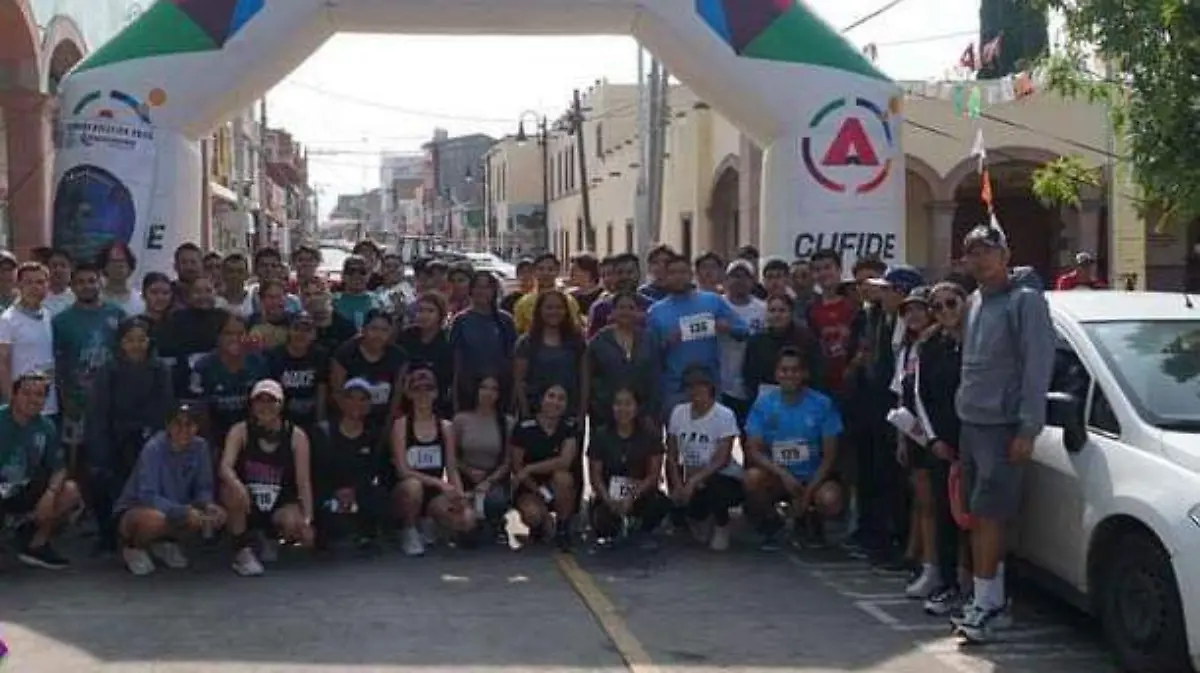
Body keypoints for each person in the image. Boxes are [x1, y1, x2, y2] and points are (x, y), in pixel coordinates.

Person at [952, 222, 1054, 642]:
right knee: (977, 516)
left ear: (1005, 255)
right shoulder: (975, 300)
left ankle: (990, 606)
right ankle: (986, 597)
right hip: (972, 423)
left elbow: (1037, 367)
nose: (980, 259)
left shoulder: (1025, 301)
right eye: (973, 252)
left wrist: (1027, 428)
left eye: (987, 250)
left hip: (1002, 426)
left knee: (992, 516)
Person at [84, 317, 175, 553]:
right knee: (100, 476)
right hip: (114, 437)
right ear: (121, 343)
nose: (136, 345)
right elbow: (98, 414)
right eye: (130, 340)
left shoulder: (160, 369)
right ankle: (108, 534)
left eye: (141, 340)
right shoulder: (108, 370)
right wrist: (100, 450)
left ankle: (156, 535)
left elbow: (164, 409)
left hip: (149, 437)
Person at [743, 347, 844, 550]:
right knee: (752, 479)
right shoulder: (763, 404)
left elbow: (830, 456)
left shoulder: (822, 404)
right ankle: (772, 520)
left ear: (804, 374)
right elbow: (753, 450)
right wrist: (783, 475)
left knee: (830, 499)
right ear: (776, 374)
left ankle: (811, 519)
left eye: (795, 370)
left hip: (813, 476)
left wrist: (808, 492)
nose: (789, 375)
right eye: (784, 370)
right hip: (779, 476)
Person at [113, 403, 225, 576]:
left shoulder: (201, 447)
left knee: (206, 518)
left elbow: (203, 486)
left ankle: (163, 543)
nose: (183, 430)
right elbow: (148, 496)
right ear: (168, 426)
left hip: (177, 507)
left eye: (189, 424)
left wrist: (209, 505)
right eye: (178, 424)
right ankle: (133, 547)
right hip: (137, 510)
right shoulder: (153, 448)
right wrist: (183, 510)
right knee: (157, 519)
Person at [220, 379, 316, 576]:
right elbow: (225, 467)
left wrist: (308, 520)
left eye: (271, 401)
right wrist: (237, 484)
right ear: (252, 404)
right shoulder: (240, 431)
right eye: (260, 401)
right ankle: (241, 550)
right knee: (230, 491)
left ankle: (270, 538)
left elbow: (303, 482)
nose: (265, 406)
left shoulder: (296, 436)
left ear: (281, 404)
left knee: (294, 523)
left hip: (279, 502)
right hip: (247, 499)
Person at [916, 281, 969, 617]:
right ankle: (948, 583)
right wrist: (934, 439)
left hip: (977, 441)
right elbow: (920, 395)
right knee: (945, 514)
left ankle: (979, 585)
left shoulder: (979, 341)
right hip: (942, 444)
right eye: (937, 306)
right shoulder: (929, 345)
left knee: (977, 518)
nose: (946, 311)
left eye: (952, 303)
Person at [646, 253, 748, 412]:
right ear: (665, 277)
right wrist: (667, 342)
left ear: (691, 274)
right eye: (673, 273)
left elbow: (743, 331)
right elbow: (649, 353)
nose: (678, 277)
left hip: (710, 386)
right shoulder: (656, 312)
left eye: (683, 272)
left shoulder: (712, 301)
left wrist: (727, 328)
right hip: (675, 389)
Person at [391, 367, 475, 556]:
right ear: (409, 394)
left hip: (434, 495)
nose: (423, 394)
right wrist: (439, 483)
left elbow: (451, 468)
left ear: (436, 393)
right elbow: (402, 470)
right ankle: (409, 529)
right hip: (407, 492)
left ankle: (429, 521)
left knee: (467, 519)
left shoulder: (445, 427)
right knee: (413, 486)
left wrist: (459, 496)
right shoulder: (401, 425)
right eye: (417, 389)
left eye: (428, 388)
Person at [0, 373, 80, 569]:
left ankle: (36, 545)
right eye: (26, 393)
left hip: (23, 487)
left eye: (39, 395)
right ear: (14, 395)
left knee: (70, 491)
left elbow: (59, 468)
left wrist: (50, 494)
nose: (32, 400)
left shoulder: (47, 427)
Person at [893, 286, 939, 598]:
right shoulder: (907, 349)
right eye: (908, 311)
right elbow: (901, 395)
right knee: (923, 500)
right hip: (914, 432)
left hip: (939, 432)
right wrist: (901, 437)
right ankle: (923, 560)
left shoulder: (939, 346)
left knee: (935, 503)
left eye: (919, 309)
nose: (913, 315)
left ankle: (933, 563)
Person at [665, 365, 743, 551]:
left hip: (722, 475)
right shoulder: (678, 412)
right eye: (690, 386)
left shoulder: (724, 415)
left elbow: (722, 459)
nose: (695, 391)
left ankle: (722, 525)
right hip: (692, 475)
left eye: (700, 385)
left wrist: (694, 481)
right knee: (681, 505)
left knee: (717, 488)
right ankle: (698, 518)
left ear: (710, 387)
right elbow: (672, 454)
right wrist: (678, 485)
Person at [53, 262, 126, 455]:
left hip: (112, 399)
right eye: (81, 282)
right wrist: (64, 398)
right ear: (72, 286)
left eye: (92, 281)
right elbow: (57, 363)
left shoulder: (117, 314)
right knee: (75, 457)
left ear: (100, 283)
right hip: (76, 402)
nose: (87, 286)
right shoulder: (61, 321)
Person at [312, 378, 389, 552]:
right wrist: (335, 492)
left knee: (379, 496)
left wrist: (354, 491)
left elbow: (373, 471)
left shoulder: (374, 436)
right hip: (328, 493)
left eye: (363, 399)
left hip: (358, 493)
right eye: (351, 397)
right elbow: (316, 470)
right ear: (342, 401)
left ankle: (367, 534)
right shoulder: (323, 432)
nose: (357, 403)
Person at [587, 387, 670, 545]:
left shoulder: (650, 435)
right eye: (618, 404)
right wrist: (608, 500)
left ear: (637, 407)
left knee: (659, 504)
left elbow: (653, 475)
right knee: (604, 524)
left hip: (640, 493)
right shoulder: (600, 435)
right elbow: (595, 476)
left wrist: (632, 497)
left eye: (628, 404)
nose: (622, 409)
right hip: (609, 494)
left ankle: (642, 528)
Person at [510, 384, 580, 550]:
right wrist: (537, 489)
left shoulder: (569, 427)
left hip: (556, 486)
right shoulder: (524, 427)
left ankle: (563, 529)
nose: (555, 402)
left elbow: (565, 461)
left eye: (561, 399)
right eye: (551, 396)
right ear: (542, 399)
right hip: (529, 486)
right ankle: (541, 524)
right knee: (533, 514)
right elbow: (517, 466)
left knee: (563, 478)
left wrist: (530, 468)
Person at [582, 290, 661, 430]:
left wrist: (652, 412)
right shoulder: (599, 340)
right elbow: (587, 376)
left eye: (631, 308)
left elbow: (655, 376)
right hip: (605, 415)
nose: (626, 312)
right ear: (612, 312)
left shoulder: (649, 339)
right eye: (621, 307)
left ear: (638, 312)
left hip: (643, 415)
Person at [453, 373, 515, 533]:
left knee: (496, 501)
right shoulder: (461, 420)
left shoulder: (507, 422)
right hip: (465, 475)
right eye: (484, 388)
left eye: (494, 389)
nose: (488, 393)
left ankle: (495, 524)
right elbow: (452, 456)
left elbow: (508, 461)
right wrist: (468, 471)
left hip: (493, 477)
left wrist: (488, 481)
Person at [448, 271, 517, 412]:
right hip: (469, 389)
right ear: (471, 290)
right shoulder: (461, 320)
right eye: (478, 287)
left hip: (500, 388)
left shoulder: (505, 320)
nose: (482, 292)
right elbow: (456, 362)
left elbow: (513, 359)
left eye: (487, 287)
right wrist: (455, 396)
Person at [195, 311, 265, 447]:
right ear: (218, 337)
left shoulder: (258, 363)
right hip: (214, 438)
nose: (235, 338)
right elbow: (199, 412)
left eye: (240, 333)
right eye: (228, 333)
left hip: (252, 437)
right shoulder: (203, 367)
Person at [330, 309, 406, 433]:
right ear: (364, 329)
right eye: (374, 329)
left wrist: (388, 425)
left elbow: (397, 394)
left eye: (384, 330)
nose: (378, 335)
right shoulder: (345, 353)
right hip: (349, 418)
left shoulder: (399, 356)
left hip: (383, 418)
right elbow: (337, 391)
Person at [513, 290, 585, 419]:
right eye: (549, 307)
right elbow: (519, 381)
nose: (554, 312)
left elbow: (584, 379)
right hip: (535, 414)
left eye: (559, 307)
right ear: (539, 310)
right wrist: (525, 414)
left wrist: (581, 414)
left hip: (570, 414)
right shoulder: (526, 342)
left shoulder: (577, 341)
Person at [0, 262, 56, 411]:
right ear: (18, 285)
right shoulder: (7, 320)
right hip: (22, 408)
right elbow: (2, 364)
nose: (34, 287)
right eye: (28, 282)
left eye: (40, 282)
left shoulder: (48, 316)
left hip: (49, 404)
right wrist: (11, 401)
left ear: (47, 286)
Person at [743, 294, 820, 401]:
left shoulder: (806, 339)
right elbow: (749, 376)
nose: (777, 315)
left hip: (802, 398)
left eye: (782, 310)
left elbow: (816, 373)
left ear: (791, 313)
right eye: (772, 311)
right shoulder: (756, 342)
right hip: (766, 401)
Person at [719, 259, 766, 430]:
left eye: (745, 276)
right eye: (735, 276)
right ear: (726, 280)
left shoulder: (763, 309)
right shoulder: (717, 305)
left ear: (753, 281)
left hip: (752, 383)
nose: (739, 281)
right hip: (721, 384)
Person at [264, 312, 329, 430]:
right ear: (289, 331)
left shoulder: (320, 355)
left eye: (307, 330)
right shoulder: (274, 356)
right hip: (283, 419)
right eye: (296, 328)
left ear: (314, 334)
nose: (301, 334)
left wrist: (320, 421)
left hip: (311, 419)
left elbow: (321, 390)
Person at [397, 292, 454, 417]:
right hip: (406, 403)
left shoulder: (448, 341)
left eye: (430, 311)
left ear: (441, 315)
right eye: (421, 310)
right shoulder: (406, 336)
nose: (424, 315)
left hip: (437, 405)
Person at [513, 252, 582, 334]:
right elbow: (517, 332)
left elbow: (576, 330)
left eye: (550, 269)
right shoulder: (524, 303)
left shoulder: (569, 302)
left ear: (558, 271)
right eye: (541, 269)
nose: (546, 273)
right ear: (534, 272)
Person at [587, 253, 652, 337]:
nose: (625, 276)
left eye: (630, 272)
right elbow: (592, 341)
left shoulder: (651, 307)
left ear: (639, 274)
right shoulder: (601, 308)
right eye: (620, 272)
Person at [300, 276, 357, 354]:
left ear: (329, 296)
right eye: (307, 295)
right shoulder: (297, 326)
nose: (313, 299)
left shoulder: (347, 328)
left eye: (318, 294)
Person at [334, 255, 383, 330]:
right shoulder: (332, 301)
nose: (356, 276)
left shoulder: (379, 300)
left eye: (362, 272)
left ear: (369, 275)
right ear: (343, 275)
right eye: (351, 272)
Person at [98, 241, 144, 315]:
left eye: (123, 261)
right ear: (104, 266)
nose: (119, 265)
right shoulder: (95, 298)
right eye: (114, 261)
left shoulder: (141, 301)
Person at [247, 280, 294, 352]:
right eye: (270, 297)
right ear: (262, 299)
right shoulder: (252, 321)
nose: (275, 301)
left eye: (279, 296)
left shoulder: (293, 321)